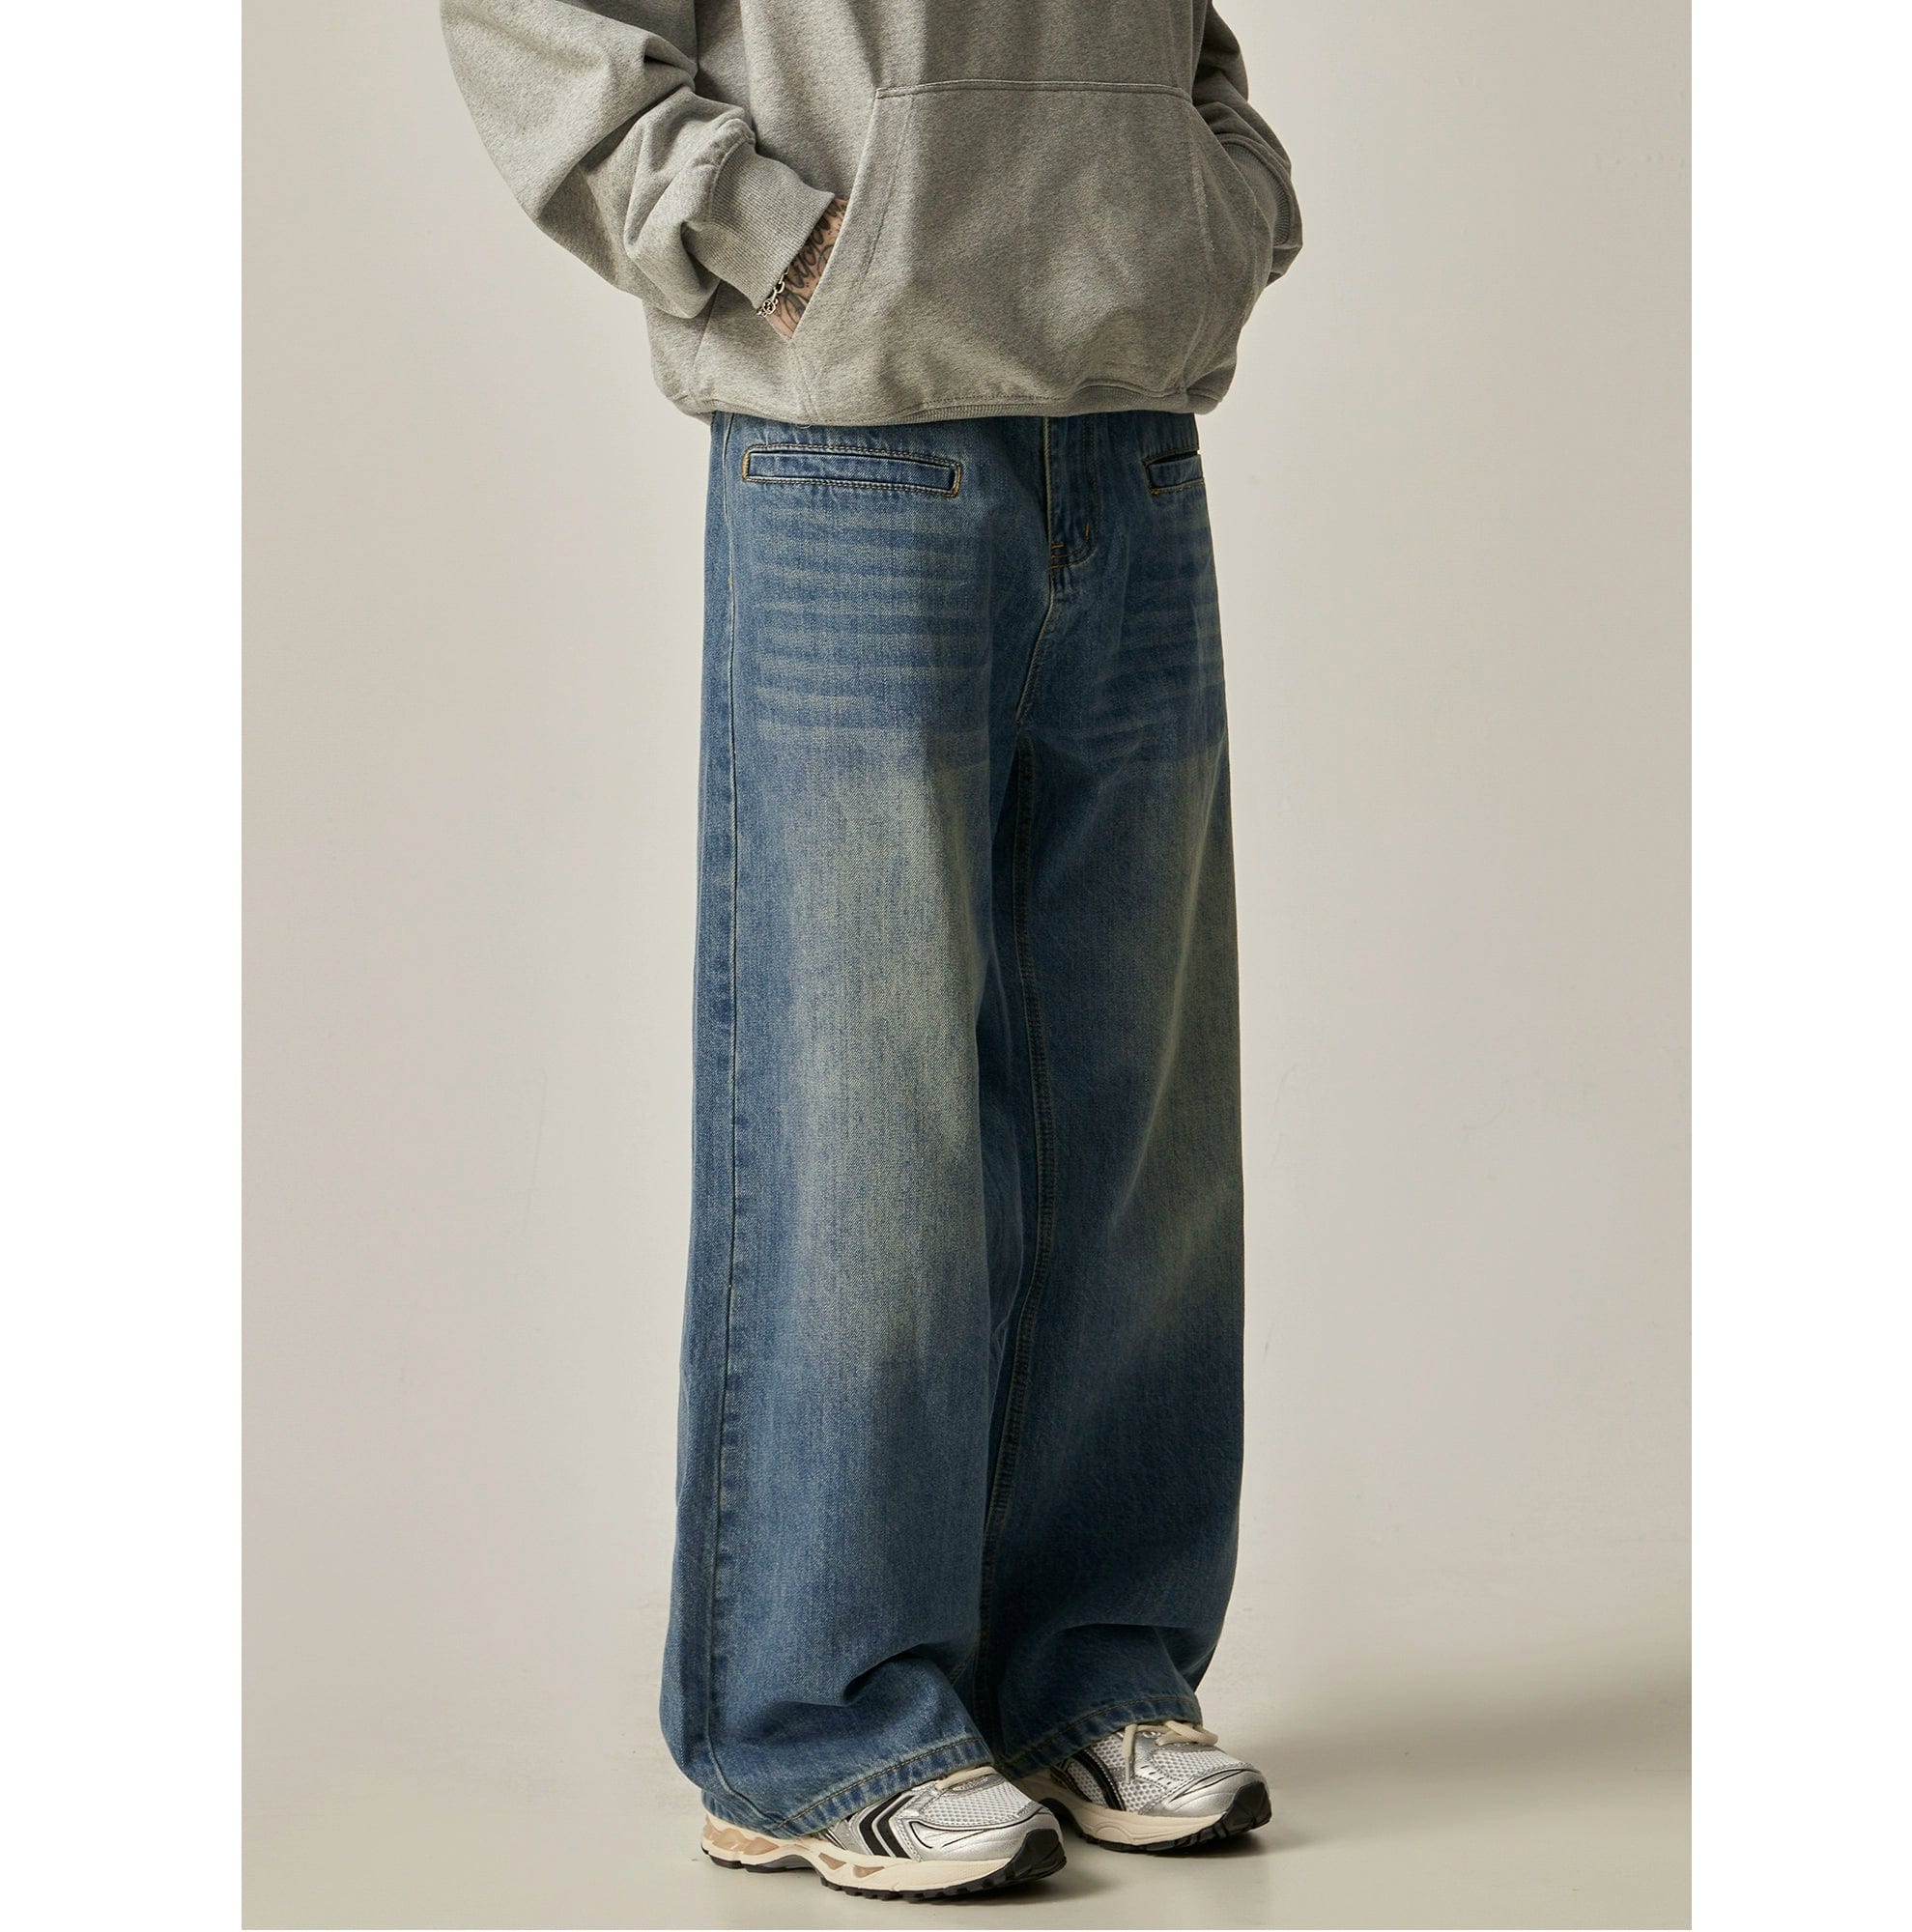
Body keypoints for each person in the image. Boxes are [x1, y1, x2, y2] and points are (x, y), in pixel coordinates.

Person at [442, 0, 1301, 1900]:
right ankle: (813, 1726)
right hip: (850, 447)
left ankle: (1093, 1671)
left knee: (1137, 1116)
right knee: (861, 1121)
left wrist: (1209, 199)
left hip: (1129, 436)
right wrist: (765, 233)